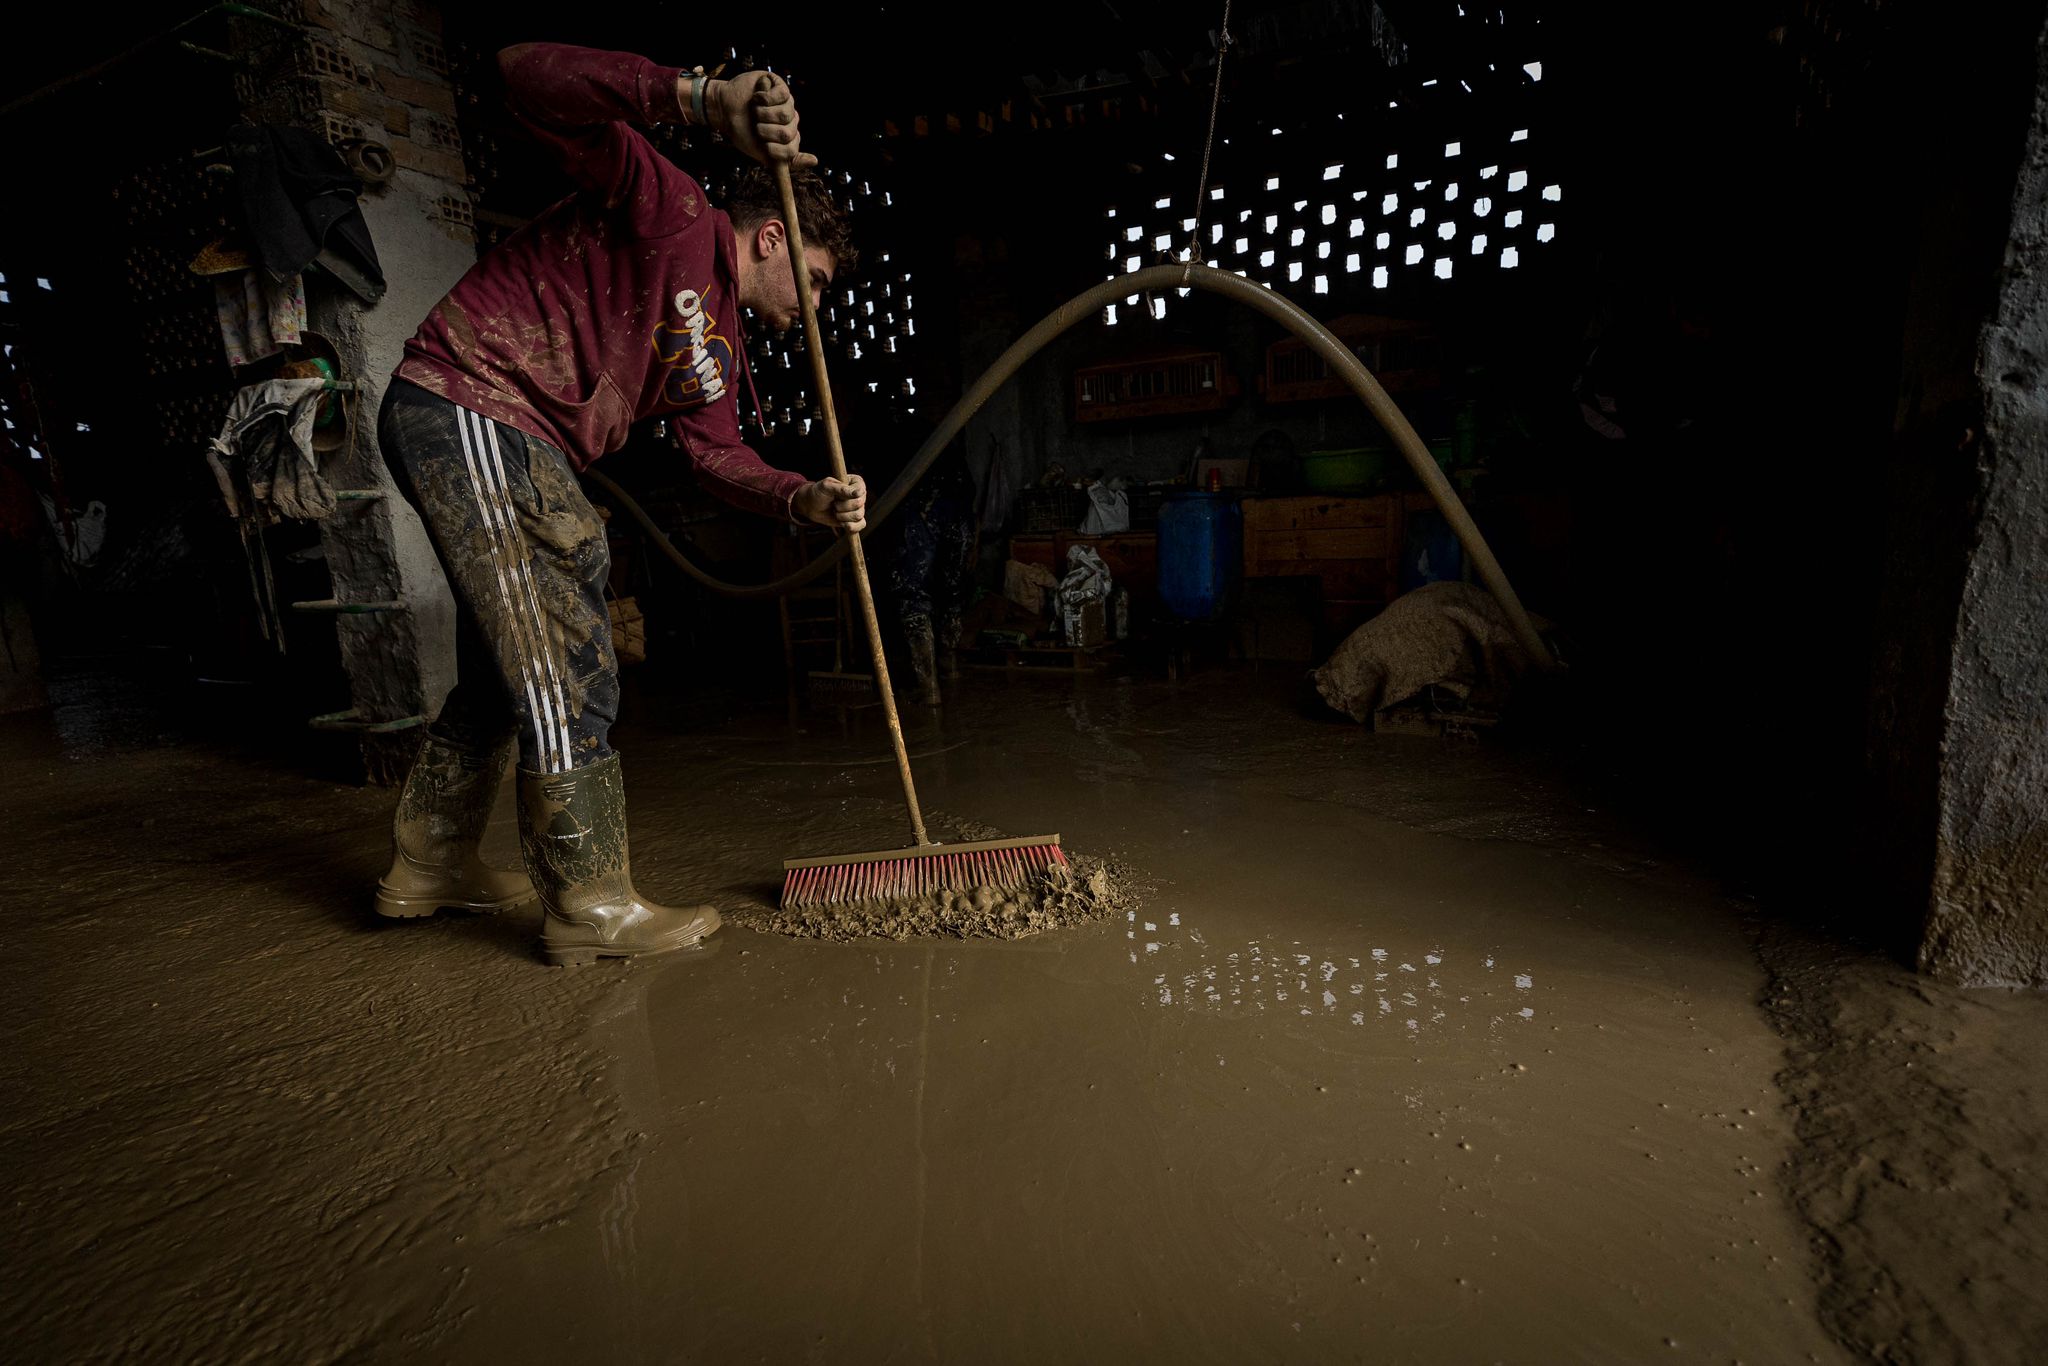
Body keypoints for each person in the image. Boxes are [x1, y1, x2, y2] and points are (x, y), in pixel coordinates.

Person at [371, 43, 866, 965]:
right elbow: (521, 77)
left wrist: (803, 498)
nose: (815, 306)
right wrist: (698, 98)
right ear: (771, 238)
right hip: (476, 401)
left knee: (501, 662)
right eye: (817, 280)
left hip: (508, 430)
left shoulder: (714, 344)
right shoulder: (671, 209)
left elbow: (718, 457)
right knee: (569, 652)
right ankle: (589, 905)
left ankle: (431, 859)